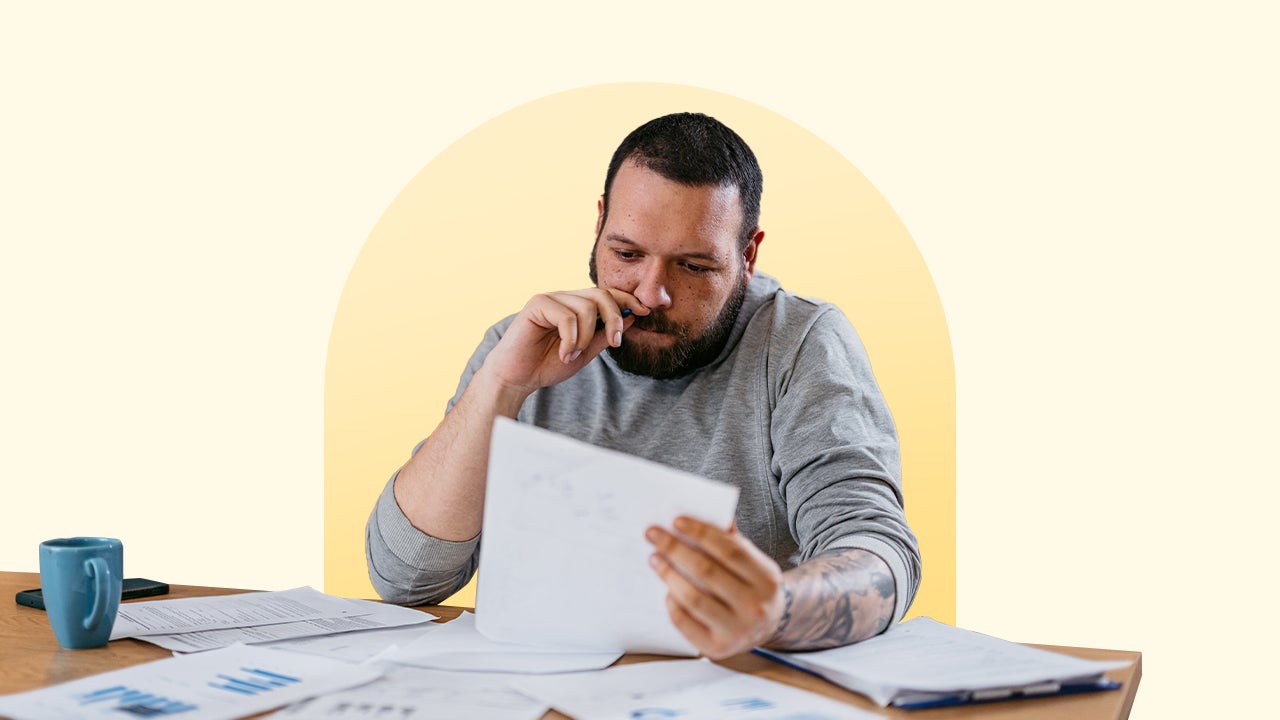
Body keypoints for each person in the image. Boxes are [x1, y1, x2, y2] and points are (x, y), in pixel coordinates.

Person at [366, 112, 920, 659]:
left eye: (694, 267)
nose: (652, 293)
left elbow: (877, 553)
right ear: (600, 224)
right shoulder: (523, 345)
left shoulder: (799, 344)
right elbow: (405, 581)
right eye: (626, 254)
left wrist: (776, 609)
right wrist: (502, 386)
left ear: (748, 255)